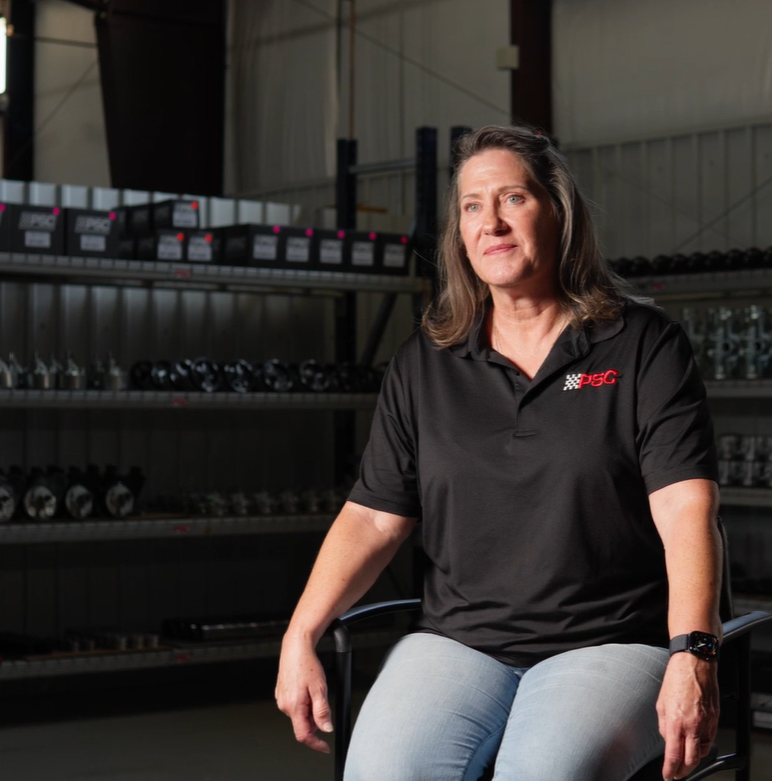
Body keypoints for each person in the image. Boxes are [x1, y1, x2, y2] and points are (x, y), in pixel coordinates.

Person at [276, 125, 722, 781]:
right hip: (457, 642)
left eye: (513, 198)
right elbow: (373, 516)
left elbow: (687, 509)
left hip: (608, 641)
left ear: (558, 211)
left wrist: (694, 651)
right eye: (472, 205)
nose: (492, 222)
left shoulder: (642, 346)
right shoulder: (424, 364)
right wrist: (299, 634)